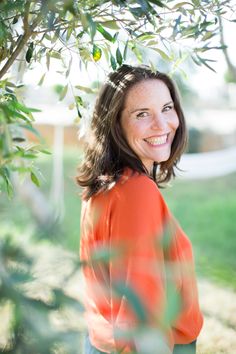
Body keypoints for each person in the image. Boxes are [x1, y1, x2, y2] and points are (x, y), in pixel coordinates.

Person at [77, 64, 203, 354]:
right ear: (115, 124)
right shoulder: (136, 192)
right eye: (142, 114)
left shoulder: (105, 185)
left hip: (101, 341)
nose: (162, 125)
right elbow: (141, 312)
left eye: (167, 108)